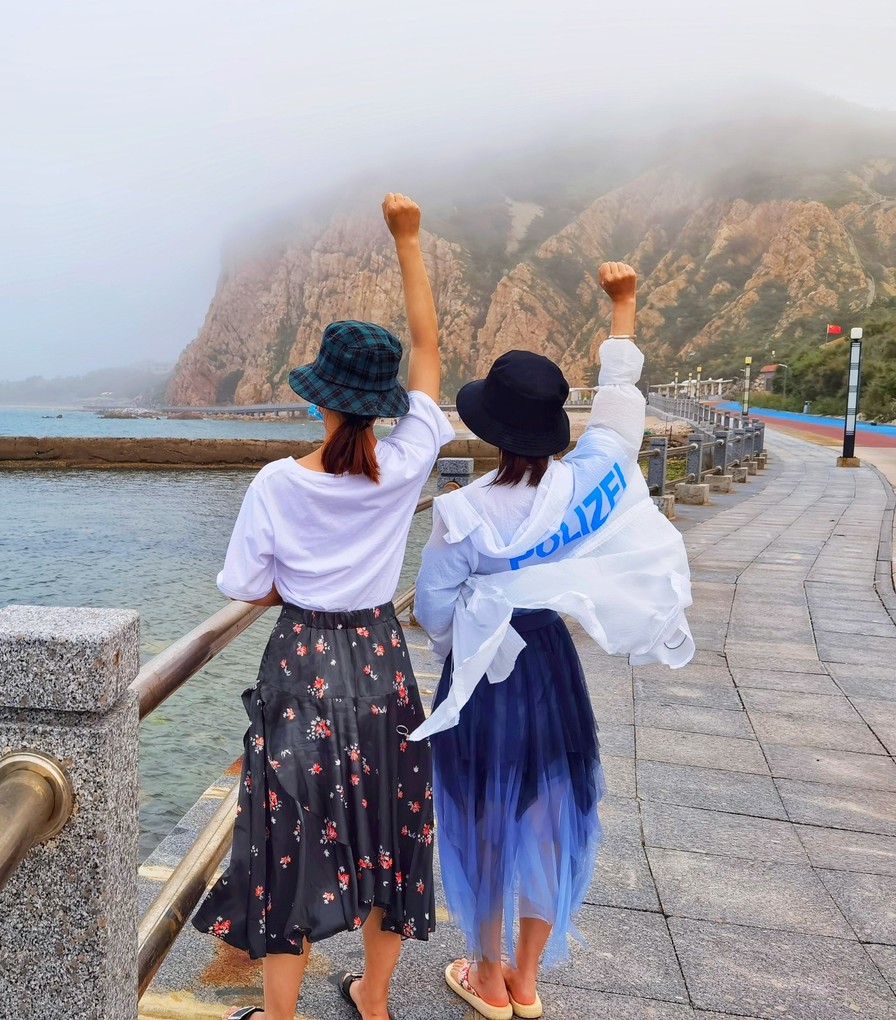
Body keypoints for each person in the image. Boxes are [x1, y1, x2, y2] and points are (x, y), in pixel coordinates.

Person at [192, 194, 455, 1020]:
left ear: (320, 398)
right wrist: (408, 240)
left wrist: (300, 582)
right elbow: (429, 350)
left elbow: (248, 585)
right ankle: (373, 1002)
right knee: (390, 828)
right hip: (379, 660)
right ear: (381, 405)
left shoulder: (277, 482)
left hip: (302, 662)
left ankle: (280, 1016)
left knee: (291, 840)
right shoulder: (407, 462)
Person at [412, 263, 694, 1020]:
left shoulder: (463, 512)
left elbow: (434, 612)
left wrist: (465, 640)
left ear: (490, 427)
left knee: (482, 818)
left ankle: (487, 974)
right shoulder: (592, 477)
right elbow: (621, 402)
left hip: (486, 676)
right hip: (551, 668)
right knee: (546, 814)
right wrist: (624, 305)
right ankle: (527, 981)